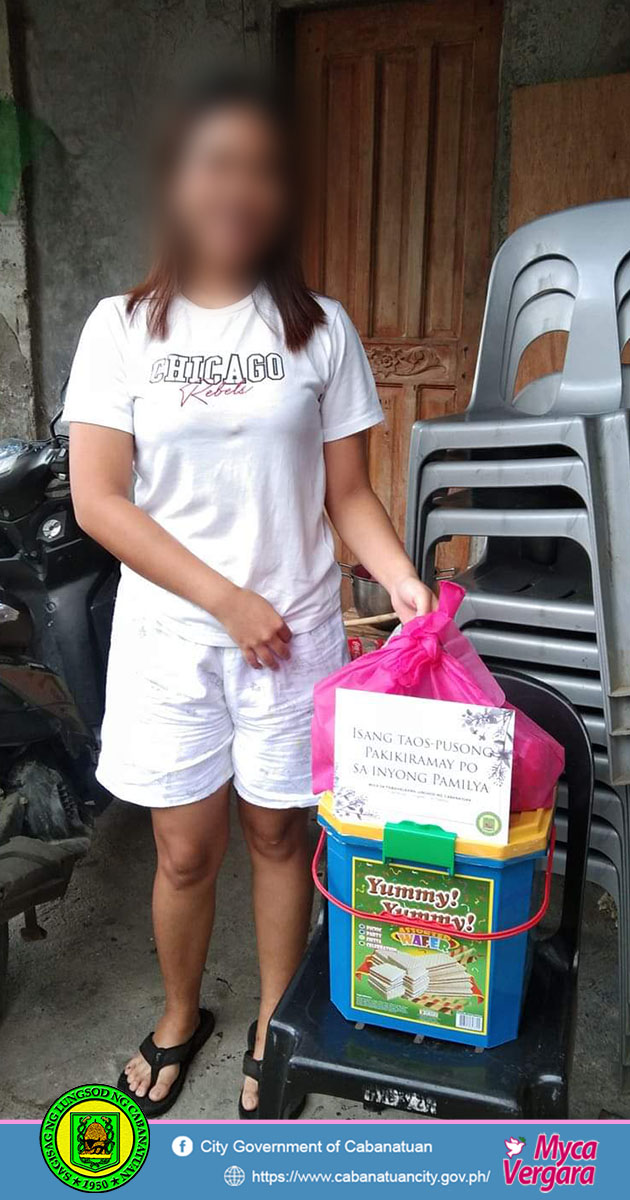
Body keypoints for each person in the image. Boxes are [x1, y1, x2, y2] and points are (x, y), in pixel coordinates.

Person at [63, 73, 436, 1119]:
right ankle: (181, 1015)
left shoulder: (319, 330)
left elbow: (349, 494)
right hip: (176, 636)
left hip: (301, 629)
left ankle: (278, 1017)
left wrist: (398, 576)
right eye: (215, 163)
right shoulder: (120, 329)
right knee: (184, 848)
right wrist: (225, 599)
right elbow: (100, 500)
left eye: (262, 170)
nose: (239, 188)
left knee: (281, 837)